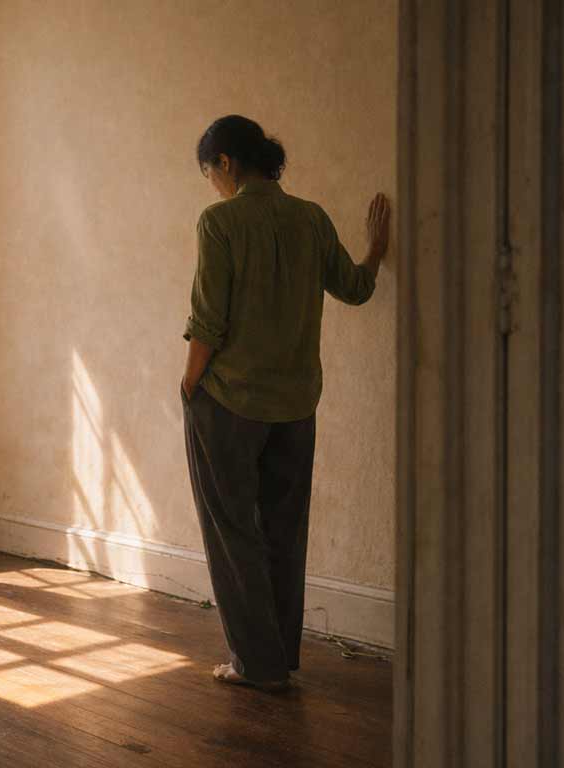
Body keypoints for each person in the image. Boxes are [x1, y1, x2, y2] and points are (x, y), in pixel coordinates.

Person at [180, 115, 390, 692]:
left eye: (210, 172)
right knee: (283, 530)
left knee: (232, 532)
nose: (213, 185)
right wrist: (376, 250)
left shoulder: (219, 221)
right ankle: (280, 659)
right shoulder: (312, 219)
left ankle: (256, 664)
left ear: (225, 162)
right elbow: (356, 287)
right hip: (297, 405)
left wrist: (188, 382)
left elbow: (208, 320)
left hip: (228, 401)